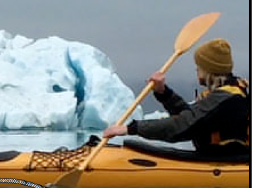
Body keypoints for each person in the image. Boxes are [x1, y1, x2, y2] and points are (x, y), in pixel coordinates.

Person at [103, 38, 250, 156]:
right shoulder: (227, 93)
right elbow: (193, 119)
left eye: (199, 66)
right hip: (216, 158)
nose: (196, 70)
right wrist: (163, 93)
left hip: (224, 161)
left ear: (209, 70)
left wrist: (131, 128)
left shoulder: (226, 98)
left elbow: (182, 126)